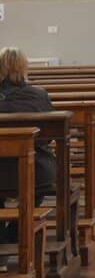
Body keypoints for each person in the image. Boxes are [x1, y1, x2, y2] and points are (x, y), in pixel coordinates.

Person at [0, 48, 56, 247]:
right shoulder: (38, 95)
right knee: (37, 186)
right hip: (35, 173)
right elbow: (49, 135)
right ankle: (14, 234)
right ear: (24, 67)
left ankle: (2, 239)